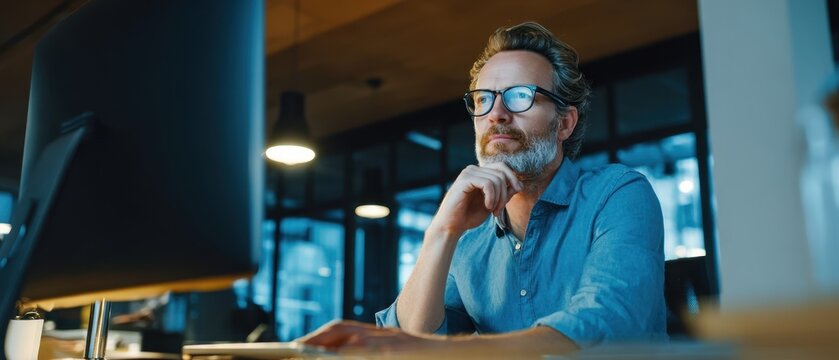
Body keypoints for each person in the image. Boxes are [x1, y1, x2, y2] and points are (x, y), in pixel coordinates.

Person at [300, 21, 666, 356]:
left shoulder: (618, 194)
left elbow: (610, 325)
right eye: (483, 98)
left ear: (564, 124)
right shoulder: (471, 240)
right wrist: (442, 231)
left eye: (520, 95)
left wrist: (452, 352)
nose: (496, 113)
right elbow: (413, 342)